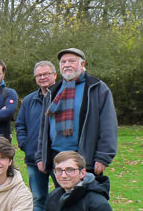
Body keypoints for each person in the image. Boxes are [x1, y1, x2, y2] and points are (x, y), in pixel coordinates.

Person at [36, 48, 118, 193]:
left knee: (86, 203)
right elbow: (44, 127)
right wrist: (40, 156)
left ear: (82, 64)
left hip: (84, 158)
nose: (67, 65)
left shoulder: (97, 88)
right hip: (58, 157)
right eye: (63, 62)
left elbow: (108, 125)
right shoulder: (52, 91)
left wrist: (104, 156)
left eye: (71, 61)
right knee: (64, 201)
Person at [15, 60, 57, 211]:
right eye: (39, 75)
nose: (43, 77)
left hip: (58, 157)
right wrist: (24, 144)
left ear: (54, 75)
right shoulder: (29, 100)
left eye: (46, 74)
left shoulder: (63, 97)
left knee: (63, 195)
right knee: (39, 198)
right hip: (34, 157)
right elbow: (20, 124)